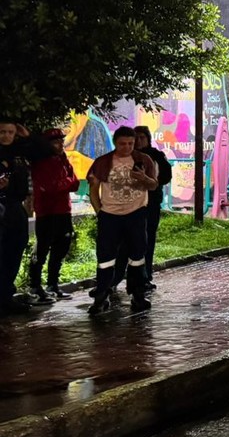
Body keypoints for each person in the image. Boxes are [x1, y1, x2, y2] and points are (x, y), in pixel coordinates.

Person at [87, 127, 158, 315]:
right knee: (106, 257)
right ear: (114, 142)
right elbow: (93, 188)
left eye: (130, 144)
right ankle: (102, 293)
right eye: (122, 144)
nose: (126, 147)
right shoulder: (103, 162)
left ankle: (138, 294)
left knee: (137, 255)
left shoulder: (144, 160)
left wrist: (144, 179)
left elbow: (154, 184)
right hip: (110, 215)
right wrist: (99, 212)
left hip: (136, 213)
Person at [0, 118, 51, 314]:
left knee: (15, 250)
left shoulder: (19, 149)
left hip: (14, 206)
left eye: (10, 132)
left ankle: (6, 297)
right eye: (2, 131)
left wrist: (28, 135)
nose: (6, 136)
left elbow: (46, 151)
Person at [29, 129, 81, 302]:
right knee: (42, 248)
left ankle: (53, 284)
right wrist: (67, 182)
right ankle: (35, 286)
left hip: (63, 210)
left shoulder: (62, 159)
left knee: (61, 247)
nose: (60, 144)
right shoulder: (41, 162)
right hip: (47, 211)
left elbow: (75, 183)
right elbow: (51, 187)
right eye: (55, 141)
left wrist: (66, 182)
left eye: (61, 140)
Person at [131, 125, 172, 290]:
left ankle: (145, 275)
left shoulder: (156, 156)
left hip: (151, 203)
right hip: (130, 204)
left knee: (148, 240)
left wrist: (151, 182)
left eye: (142, 137)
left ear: (148, 139)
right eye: (137, 138)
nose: (139, 141)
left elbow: (166, 176)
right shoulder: (126, 156)